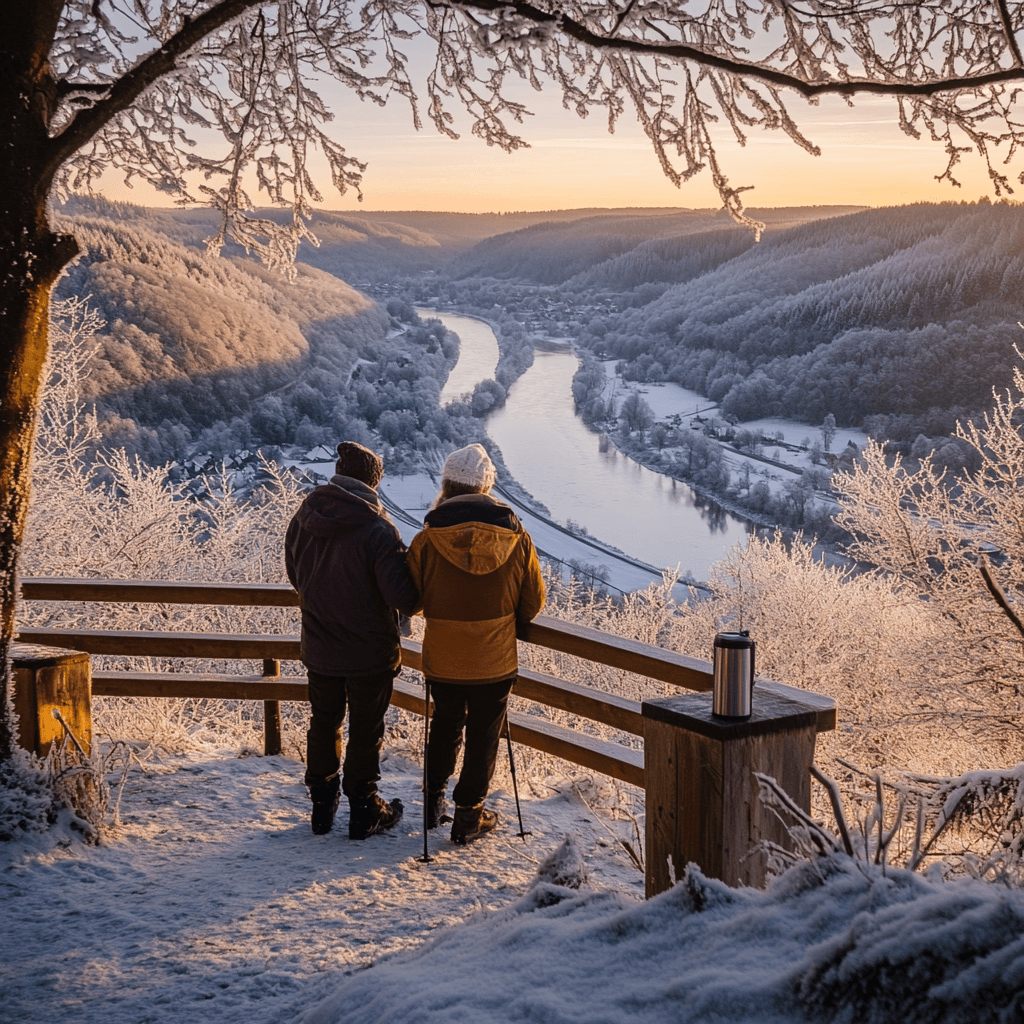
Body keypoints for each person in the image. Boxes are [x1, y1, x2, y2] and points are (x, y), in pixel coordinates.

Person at [408, 443, 545, 844]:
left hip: (444, 657)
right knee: (484, 733)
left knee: (446, 724)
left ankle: (433, 802)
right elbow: (532, 603)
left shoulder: (428, 539)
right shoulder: (516, 538)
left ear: (447, 485)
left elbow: (412, 598)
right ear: (486, 487)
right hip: (494, 658)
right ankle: (469, 817)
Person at [285, 441, 418, 839]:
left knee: (323, 723)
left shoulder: (304, 518)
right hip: (369, 652)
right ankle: (364, 809)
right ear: (372, 483)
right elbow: (405, 597)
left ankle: (321, 808)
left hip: (320, 645)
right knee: (365, 729)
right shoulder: (378, 530)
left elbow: (296, 575)